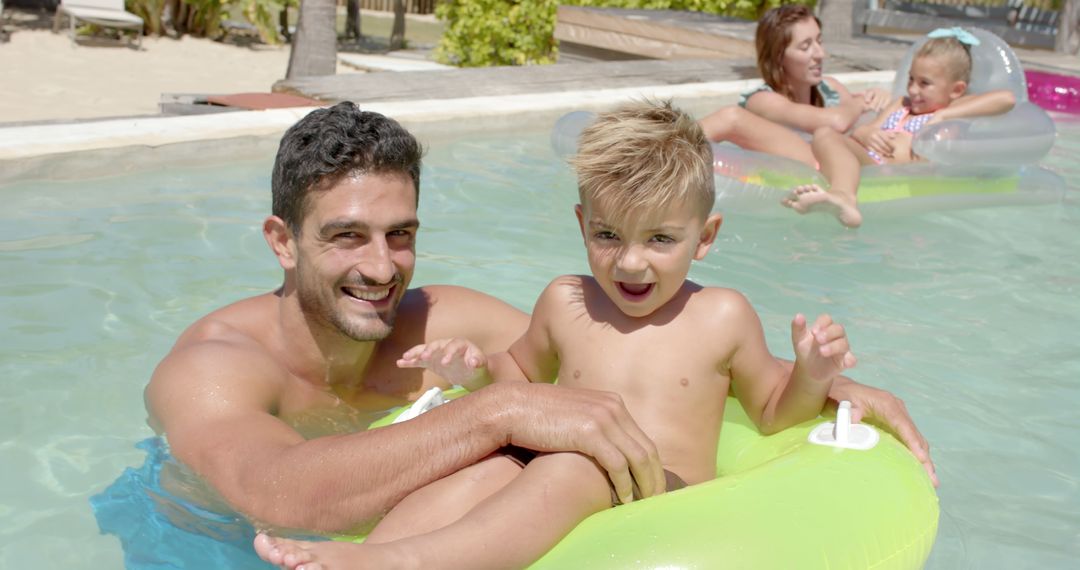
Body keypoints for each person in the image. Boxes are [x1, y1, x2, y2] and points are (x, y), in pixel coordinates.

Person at [145, 101, 934, 557]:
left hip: (595, 503)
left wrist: (831, 386)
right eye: (347, 236)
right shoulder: (215, 370)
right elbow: (280, 497)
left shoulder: (441, 315)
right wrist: (495, 406)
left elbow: (644, 354)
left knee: (532, 463)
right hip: (209, 548)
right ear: (282, 240)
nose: (383, 269)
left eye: (401, 234)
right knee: (494, 454)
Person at [782, 29, 1017, 220]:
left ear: (956, 89)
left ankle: (843, 196)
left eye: (924, 83)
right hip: (873, 161)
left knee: (825, 136)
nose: (913, 89)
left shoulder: (954, 110)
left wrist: (944, 117)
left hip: (899, 172)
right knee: (824, 133)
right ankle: (841, 195)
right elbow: (865, 130)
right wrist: (868, 134)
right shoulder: (901, 105)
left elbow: (1007, 99)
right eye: (911, 79)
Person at [697, 4, 889, 228]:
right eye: (806, 46)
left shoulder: (831, 88)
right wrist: (858, 102)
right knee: (732, 118)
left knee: (827, 135)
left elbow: (852, 123)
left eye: (819, 41)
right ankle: (662, 146)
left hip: (844, 164)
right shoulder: (762, 100)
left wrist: (875, 100)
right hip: (803, 165)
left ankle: (844, 196)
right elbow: (838, 121)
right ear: (779, 56)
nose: (820, 54)